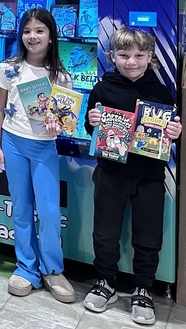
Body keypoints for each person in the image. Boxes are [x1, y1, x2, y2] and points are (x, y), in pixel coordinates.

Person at [83, 28, 182, 325]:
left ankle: (143, 288)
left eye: (139, 55)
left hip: (150, 175)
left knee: (148, 236)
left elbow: (170, 132)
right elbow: (91, 129)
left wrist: (175, 133)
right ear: (112, 56)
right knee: (104, 232)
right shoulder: (102, 88)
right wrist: (92, 121)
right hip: (110, 172)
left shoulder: (162, 92)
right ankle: (105, 282)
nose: (131, 62)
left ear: (150, 57)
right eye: (124, 55)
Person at [0, 8, 76, 302]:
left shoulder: (61, 76)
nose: (33, 36)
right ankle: (26, 267)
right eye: (27, 31)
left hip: (44, 148)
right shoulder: (8, 68)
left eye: (40, 30)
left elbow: (65, 121)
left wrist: (59, 126)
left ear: (51, 36)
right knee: (22, 208)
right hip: (13, 144)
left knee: (50, 212)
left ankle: (52, 269)